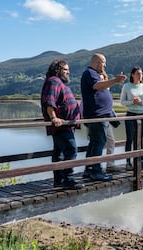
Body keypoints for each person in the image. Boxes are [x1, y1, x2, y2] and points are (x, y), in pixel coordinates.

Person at [81, 53, 126, 180]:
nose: (105, 65)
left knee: (95, 143)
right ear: (96, 62)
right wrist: (116, 80)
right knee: (99, 142)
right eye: (103, 62)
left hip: (100, 115)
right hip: (97, 115)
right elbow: (98, 85)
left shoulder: (92, 73)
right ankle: (96, 171)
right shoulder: (90, 73)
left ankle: (89, 169)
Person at [40, 59, 84, 189]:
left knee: (58, 153)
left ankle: (59, 180)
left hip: (66, 125)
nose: (68, 72)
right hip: (61, 125)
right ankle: (68, 180)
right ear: (57, 70)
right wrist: (54, 117)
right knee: (71, 150)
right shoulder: (53, 81)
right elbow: (49, 101)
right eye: (65, 69)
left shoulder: (59, 82)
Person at [120, 66, 143, 171]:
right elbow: (122, 102)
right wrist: (132, 102)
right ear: (132, 75)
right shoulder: (126, 86)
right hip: (130, 115)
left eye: (141, 73)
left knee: (140, 139)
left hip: (141, 115)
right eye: (138, 73)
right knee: (129, 139)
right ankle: (128, 162)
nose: (140, 75)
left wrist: (141, 102)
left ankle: (140, 160)